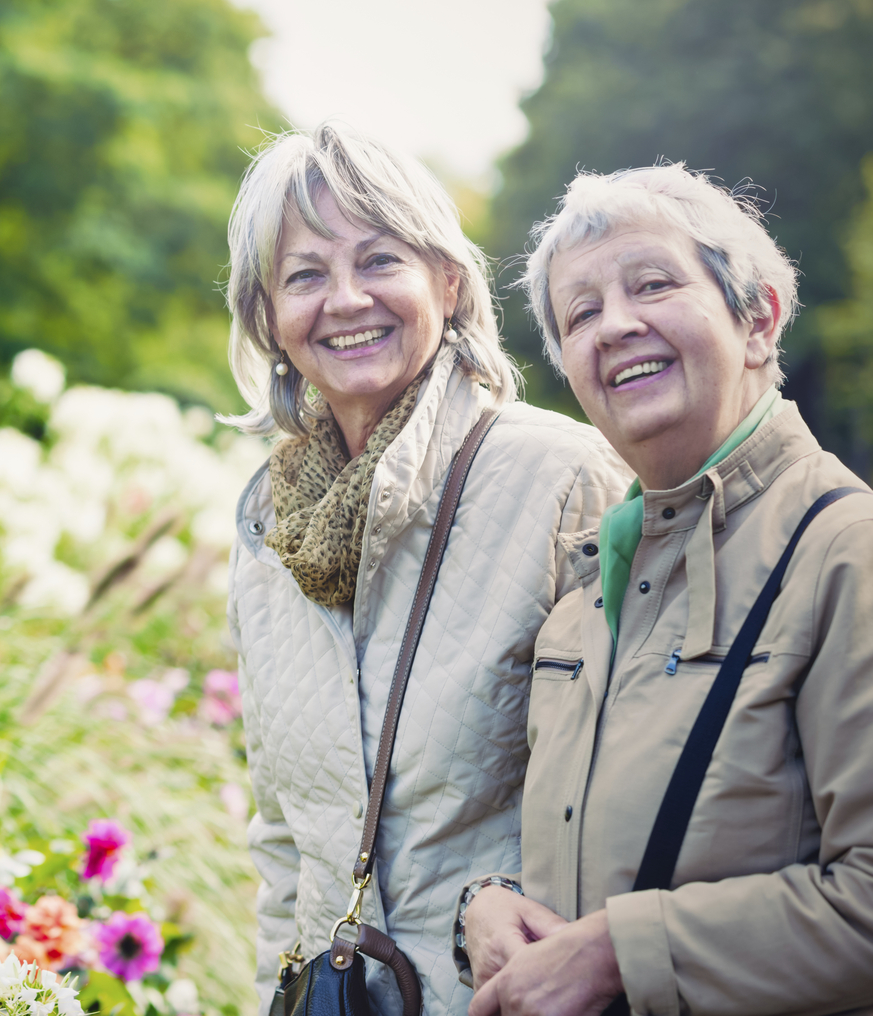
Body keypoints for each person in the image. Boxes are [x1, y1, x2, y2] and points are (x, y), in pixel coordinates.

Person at [223, 123, 630, 1016]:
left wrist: (484, 904)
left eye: (377, 260)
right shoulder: (264, 525)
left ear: (447, 283)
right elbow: (283, 843)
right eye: (303, 275)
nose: (343, 299)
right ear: (267, 317)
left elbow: (641, 787)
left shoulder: (566, 478)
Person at [461, 164, 873, 1016]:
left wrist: (620, 952)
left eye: (652, 283)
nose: (614, 325)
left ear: (756, 318)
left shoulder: (845, 551)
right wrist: (490, 900)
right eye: (579, 314)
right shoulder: (583, 593)